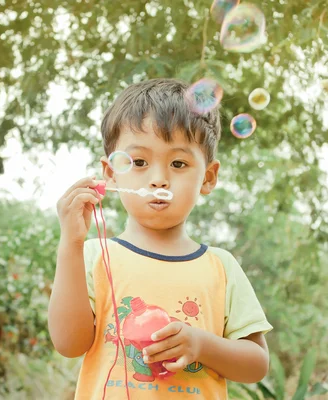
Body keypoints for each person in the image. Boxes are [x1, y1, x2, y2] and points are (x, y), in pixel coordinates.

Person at [48, 78, 273, 399]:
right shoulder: (93, 255)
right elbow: (69, 344)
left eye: (178, 163)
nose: (158, 179)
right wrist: (69, 243)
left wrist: (201, 344)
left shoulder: (220, 267)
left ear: (208, 177)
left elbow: (255, 366)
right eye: (139, 162)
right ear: (111, 173)